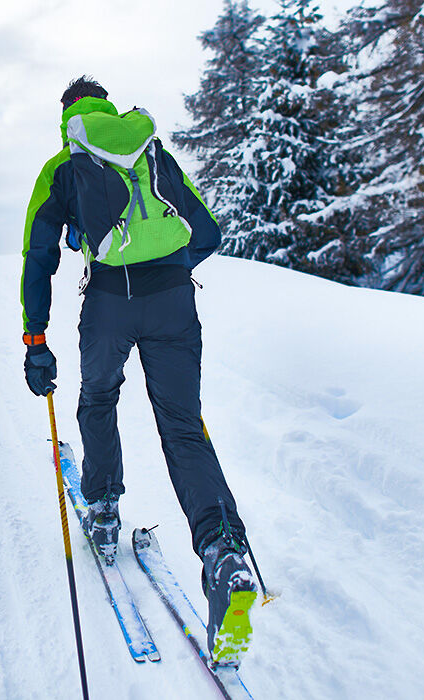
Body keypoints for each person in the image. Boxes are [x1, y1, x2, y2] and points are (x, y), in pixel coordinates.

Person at [20, 75, 256, 664]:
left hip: (108, 303)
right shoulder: (150, 147)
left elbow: (38, 257)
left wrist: (36, 337)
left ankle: (102, 507)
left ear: (68, 114)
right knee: (182, 424)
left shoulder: (63, 166)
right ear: (104, 102)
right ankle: (224, 551)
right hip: (175, 298)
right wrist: (169, 271)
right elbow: (207, 230)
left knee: (98, 398)